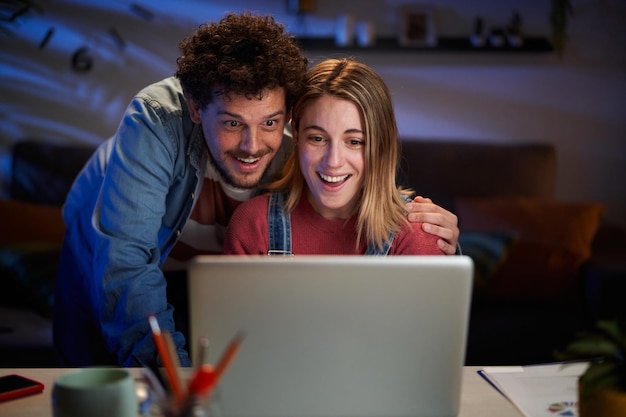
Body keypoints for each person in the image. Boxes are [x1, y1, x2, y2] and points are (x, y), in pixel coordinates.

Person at [53, 12, 459, 369]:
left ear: (289, 119)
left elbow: (355, 169)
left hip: (214, 279)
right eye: (232, 124)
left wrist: (442, 244)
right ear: (197, 107)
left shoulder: (301, 138)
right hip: (116, 267)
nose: (253, 145)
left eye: (270, 123)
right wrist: (180, 385)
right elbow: (125, 268)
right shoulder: (157, 121)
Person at [223, 58, 443, 256]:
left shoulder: (416, 234)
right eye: (318, 139)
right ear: (296, 134)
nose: (333, 161)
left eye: (355, 142)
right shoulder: (253, 224)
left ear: (381, 145)